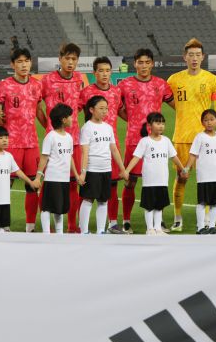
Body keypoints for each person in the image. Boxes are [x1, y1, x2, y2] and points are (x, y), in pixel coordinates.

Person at [167, 38, 216, 232]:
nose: (194, 58)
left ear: (203, 57)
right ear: (184, 57)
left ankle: (208, 219)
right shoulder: (174, 80)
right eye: (190, 55)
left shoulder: (211, 79)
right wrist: (182, 111)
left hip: (206, 139)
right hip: (182, 137)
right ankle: (177, 217)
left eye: (197, 55)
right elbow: (167, 99)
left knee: (209, 179)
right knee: (182, 177)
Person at [118, 48, 175, 234]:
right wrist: (133, 121)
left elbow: (177, 105)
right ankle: (126, 220)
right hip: (134, 139)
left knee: (158, 182)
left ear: (152, 63)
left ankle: (159, 221)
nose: (143, 66)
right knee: (131, 182)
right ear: (135, 64)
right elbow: (117, 107)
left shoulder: (161, 84)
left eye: (147, 62)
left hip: (157, 141)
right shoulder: (125, 84)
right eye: (140, 62)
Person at [0, 48, 45, 232]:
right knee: (5, 184)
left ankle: (30, 226)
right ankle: (3, 225)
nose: (24, 65)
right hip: (10, 144)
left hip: (31, 143)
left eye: (26, 61)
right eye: (19, 62)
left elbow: (38, 110)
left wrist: (50, 129)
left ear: (31, 63)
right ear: (12, 64)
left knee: (33, 185)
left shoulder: (37, 86)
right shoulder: (4, 85)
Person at [40, 42, 87, 232]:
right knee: (50, 183)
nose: (70, 62)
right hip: (53, 143)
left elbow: (81, 105)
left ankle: (71, 225)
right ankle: (45, 225)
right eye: (67, 58)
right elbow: (36, 105)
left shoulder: (79, 79)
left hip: (73, 140)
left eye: (74, 59)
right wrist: (49, 127)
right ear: (59, 59)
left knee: (72, 184)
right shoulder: (47, 80)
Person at [79, 56, 124, 233]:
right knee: (89, 196)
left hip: (109, 143)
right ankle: (83, 229)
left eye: (107, 70)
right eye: (101, 71)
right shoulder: (86, 92)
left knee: (110, 189)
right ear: (94, 73)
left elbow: (122, 111)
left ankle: (108, 225)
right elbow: (76, 111)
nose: (105, 74)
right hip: (92, 146)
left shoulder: (116, 91)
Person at [124, 113, 185, 235]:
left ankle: (158, 228)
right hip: (149, 181)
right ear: (149, 125)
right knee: (149, 205)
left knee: (159, 205)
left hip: (162, 180)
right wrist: (127, 170)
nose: (161, 126)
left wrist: (183, 168)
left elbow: (174, 156)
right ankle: (150, 228)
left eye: (163, 123)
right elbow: (136, 158)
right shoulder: (145, 141)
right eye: (158, 123)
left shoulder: (166, 141)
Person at [36, 103, 82, 235]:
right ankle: (46, 233)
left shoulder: (68, 137)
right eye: (70, 117)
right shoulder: (51, 137)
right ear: (63, 119)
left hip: (64, 178)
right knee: (47, 207)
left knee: (60, 208)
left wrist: (76, 175)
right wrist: (38, 177)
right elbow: (44, 158)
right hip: (52, 178)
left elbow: (70, 157)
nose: (72, 119)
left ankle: (59, 233)